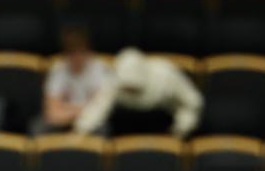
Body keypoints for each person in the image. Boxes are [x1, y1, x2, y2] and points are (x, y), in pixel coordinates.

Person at [75, 48, 204, 138]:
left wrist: (180, 130)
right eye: (126, 89)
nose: (129, 92)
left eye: (133, 89)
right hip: (127, 129)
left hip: (166, 124)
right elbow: (98, 108)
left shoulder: (166, 76)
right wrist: (81, 131)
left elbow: (193, 103)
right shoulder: (115, 81)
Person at [39, 24, 113, 133]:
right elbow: (52, 113)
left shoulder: (100, 69)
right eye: (72, 52)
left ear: (88, 51)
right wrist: (80, 111)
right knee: (39, 127)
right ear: (65, 54)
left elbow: (100, 110)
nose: (76, 57)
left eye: (80, 52)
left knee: (102, 127)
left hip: (90, 121)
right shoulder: (58, 70)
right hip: (64, 121)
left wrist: (67, 109)